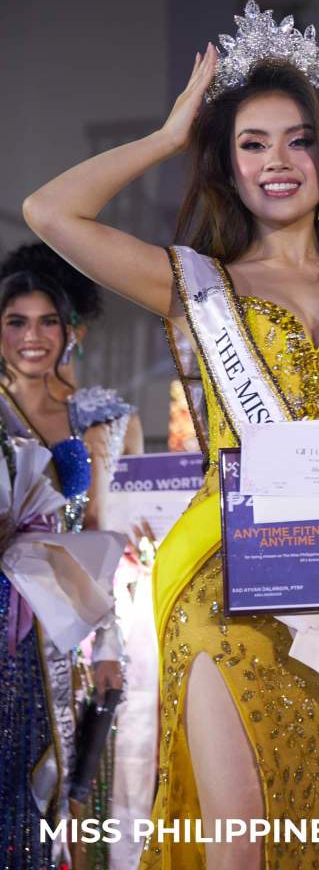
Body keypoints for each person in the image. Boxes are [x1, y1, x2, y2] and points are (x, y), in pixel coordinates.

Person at [22, 0, 319, 870]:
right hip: (223, 580)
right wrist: (168, 135)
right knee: (238, 841)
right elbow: (49, 211)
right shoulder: (196, 286)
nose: (276, 161)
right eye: (251, 143)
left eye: (297, 140)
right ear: (226, 166)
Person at [0, 242, 143, 870]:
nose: (32, 337)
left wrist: (109, 647)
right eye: (16, 321)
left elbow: (103, 536)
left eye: (47, 321)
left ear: (70, 330)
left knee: (46, 787)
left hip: (57, 629)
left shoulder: (100, 418)